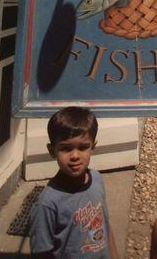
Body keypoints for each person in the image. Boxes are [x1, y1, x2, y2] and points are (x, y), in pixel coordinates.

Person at [30, 106, 117, 259]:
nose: (75, 156)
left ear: (93, 147)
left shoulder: (96, 179)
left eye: (83, 147)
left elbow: (105, 227)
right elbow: (41, 253)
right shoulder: (47, 204)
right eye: (66, 149)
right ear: (52, 150)